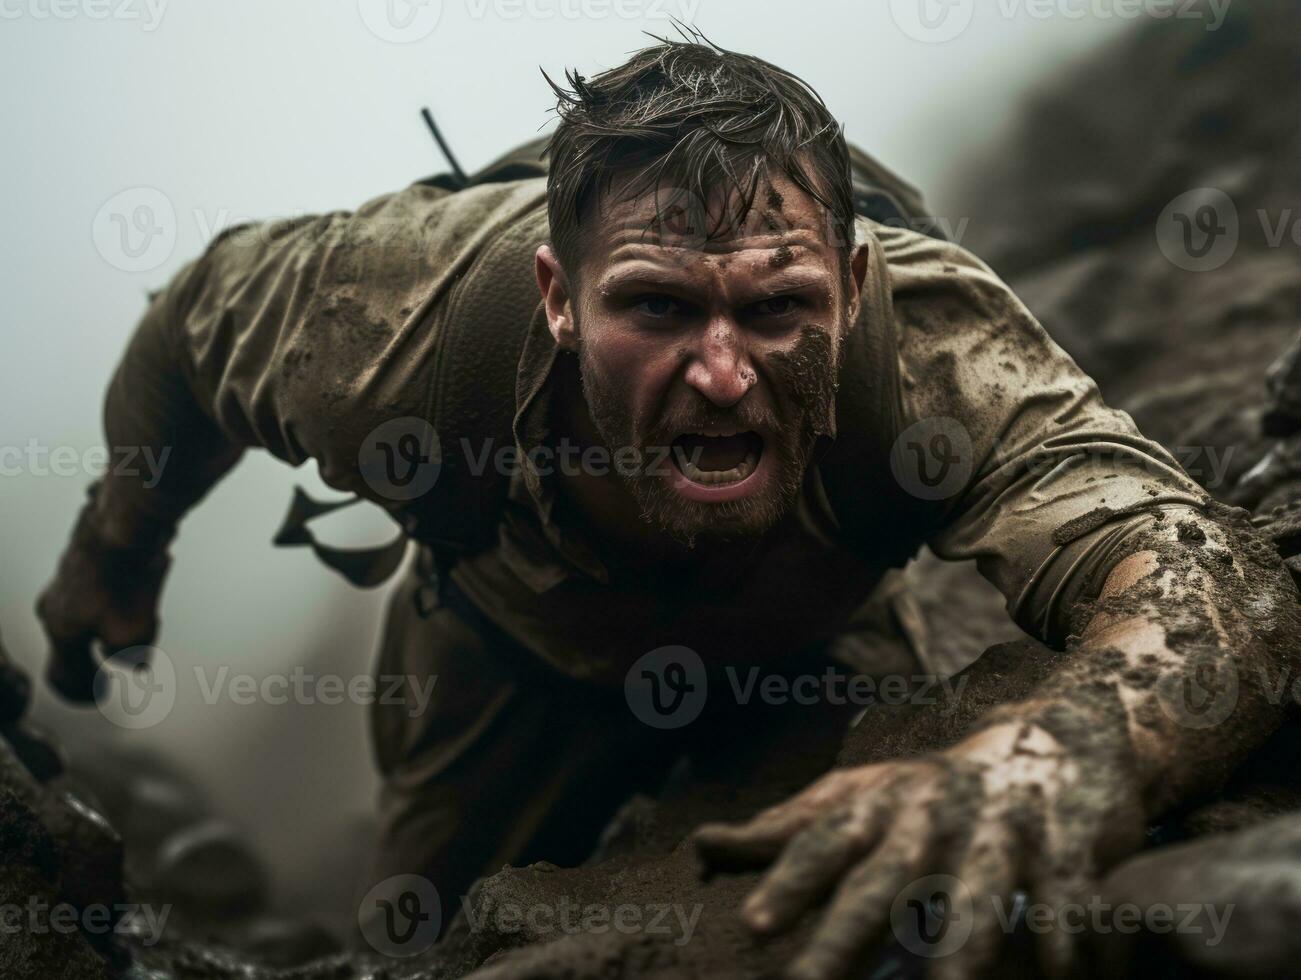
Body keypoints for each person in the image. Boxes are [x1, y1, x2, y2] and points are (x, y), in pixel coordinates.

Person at [36, 34, 1299, 978]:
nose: (720, 371)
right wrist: (118, 544)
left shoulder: (931, 353)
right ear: (553, 293)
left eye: (774, 306)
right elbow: (189, 327)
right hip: (502, 651)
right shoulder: (384, 322)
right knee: (417, 946)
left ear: (855, 287)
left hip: (807, 640)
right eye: (654, 306)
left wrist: (1039, 763)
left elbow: (1204, 577)